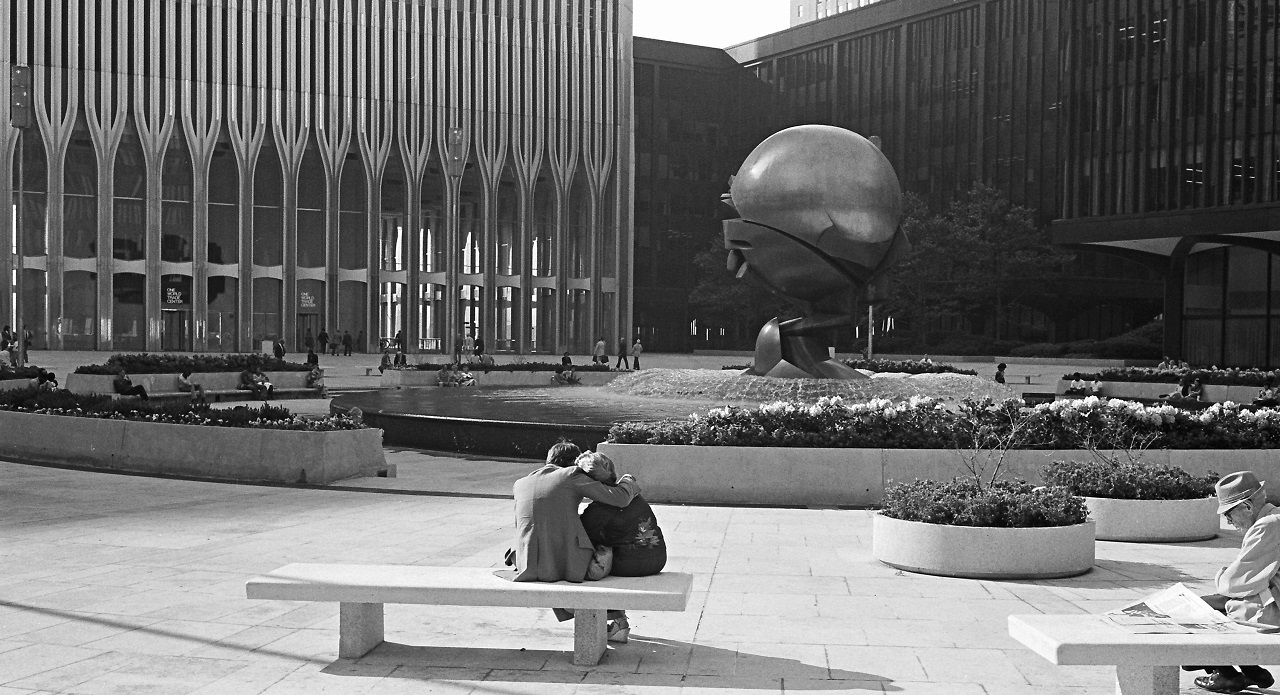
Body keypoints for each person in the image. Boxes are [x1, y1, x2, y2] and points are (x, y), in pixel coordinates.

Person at [508, 443, 641, 640]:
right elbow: (619, 498)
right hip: (567, 566)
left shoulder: (520, 483)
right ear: (574, 463)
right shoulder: (571, 474)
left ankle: (607, 621)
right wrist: (628, 480)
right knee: (606, 546)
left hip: (525, 563)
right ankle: (618, 621)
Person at [1182, 471, 1280, 693]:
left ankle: (1226, 675)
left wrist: (1224, 573)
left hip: (1276, 610)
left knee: (1193, 610)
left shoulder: (1268, 525)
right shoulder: (1272, 519)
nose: (1227, 520)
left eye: (1228, 513)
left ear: (1247, 506)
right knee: (1206, 604)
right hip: (1273, 600)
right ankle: (1251, 671)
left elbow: (1234, 583)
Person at [578, 452, 667, 643]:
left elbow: (581, 535)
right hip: (658, 556)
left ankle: (615, 622)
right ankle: (617, 622)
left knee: (586, 569)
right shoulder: (633, 495)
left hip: (631, 564)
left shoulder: (598, 510)